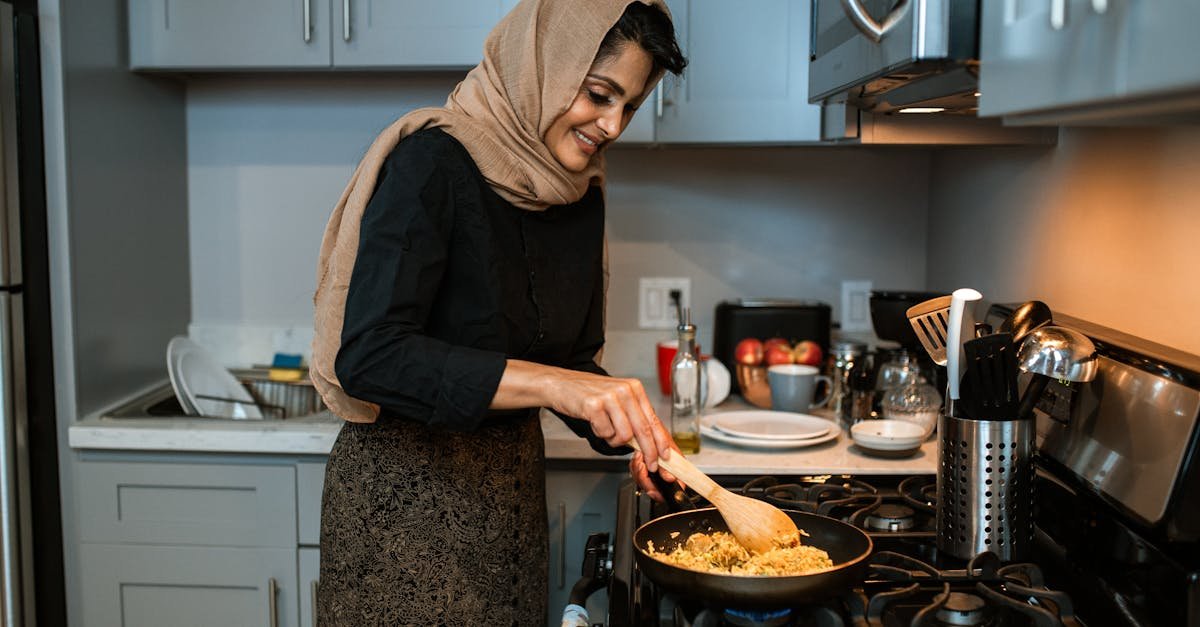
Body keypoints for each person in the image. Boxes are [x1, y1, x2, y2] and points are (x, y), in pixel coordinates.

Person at [308, 0, 688, 624]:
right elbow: (371, 356)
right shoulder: (431, 163)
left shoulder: (577, 192)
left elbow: (568, 360)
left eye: (630, 107)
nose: (613, 124)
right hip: (402, 510)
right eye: (598, 94)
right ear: (546, 67)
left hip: (510, 505)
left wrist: (627, 428)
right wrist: (555, 385)